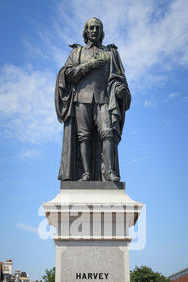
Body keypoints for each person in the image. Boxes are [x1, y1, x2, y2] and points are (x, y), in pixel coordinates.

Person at [55, 17, 131, 182]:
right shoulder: (77, 52)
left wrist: (119, 89)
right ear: (86, 31)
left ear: (101, 32)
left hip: (104, 100)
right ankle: (86, 173)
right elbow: (68, 75)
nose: (94, 31)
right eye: (91, 28)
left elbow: (117, 77)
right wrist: (88, 65)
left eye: (97, 28)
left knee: (108, 133)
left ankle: (109, 172)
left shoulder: (110, 52)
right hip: (81, 100)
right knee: (84, 137)